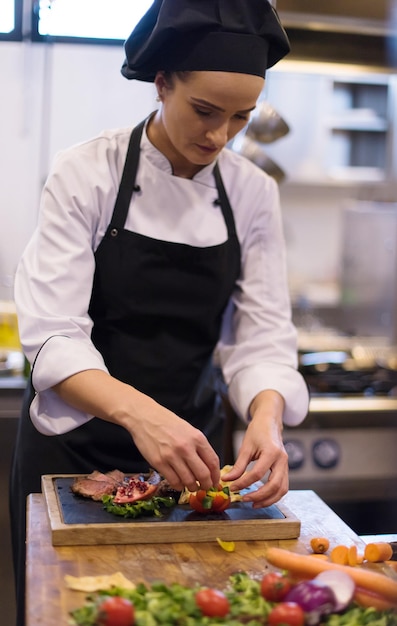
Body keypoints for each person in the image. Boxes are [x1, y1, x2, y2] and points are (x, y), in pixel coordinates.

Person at [10, 1, 309, 624]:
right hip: (75, 455)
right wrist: (143, 417)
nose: (219, 137)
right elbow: (53, 336)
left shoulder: (253, 193)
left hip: (195, 459)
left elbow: (262, 338)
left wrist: (268, 419)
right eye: (204, 111)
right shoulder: (86, 172)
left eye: (240, 119)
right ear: (162, 83)